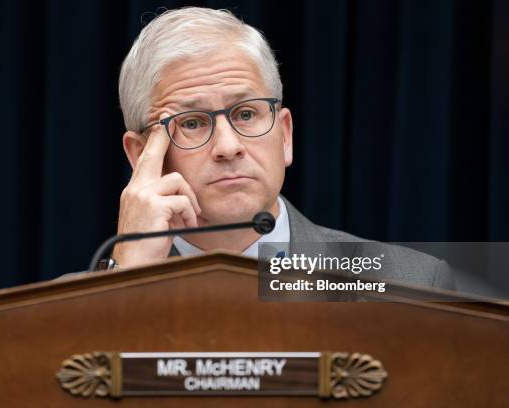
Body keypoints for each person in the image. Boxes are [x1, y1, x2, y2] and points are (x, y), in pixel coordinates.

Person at [97, 7, 454, 290]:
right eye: (192, 122)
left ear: (285, 136)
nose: (228, 146)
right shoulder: (63, 313)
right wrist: (126, 279)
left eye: (247, 113)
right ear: (141, 156)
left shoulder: (411, 284)